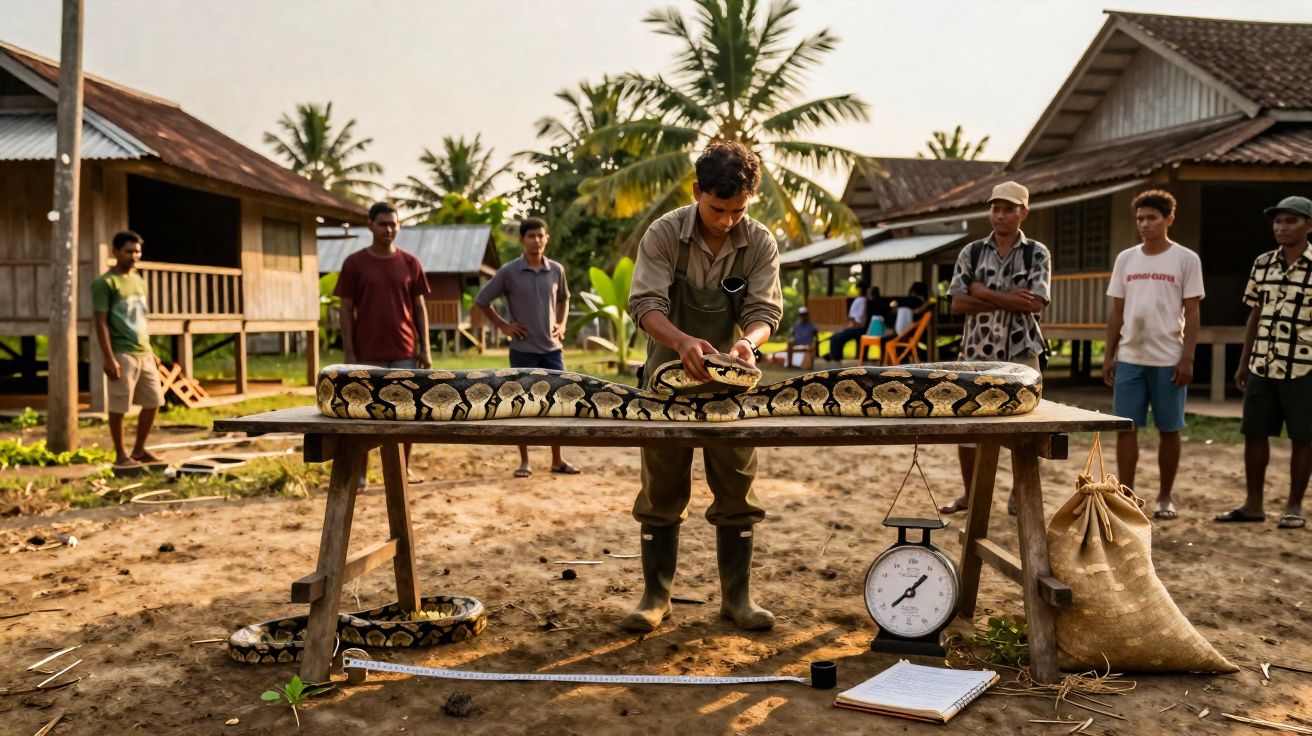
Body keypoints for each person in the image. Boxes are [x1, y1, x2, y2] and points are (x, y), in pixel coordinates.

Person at [623, 140, 783, 632]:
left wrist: (748, 345)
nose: (728, 220)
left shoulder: (759, 242)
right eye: (718, 209)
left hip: (731, 385)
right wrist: (683, 342)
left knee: (737, 486)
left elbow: (764, 313)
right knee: (662, 487)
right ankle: (656, 597)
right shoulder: (664, 234)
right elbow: (645, 305)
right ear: (697, 192)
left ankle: (737, 599)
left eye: (738, 211)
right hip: (664, 379)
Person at [939, 181, 1051, 514]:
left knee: (1026, 427)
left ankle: (1020, 494)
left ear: (1023, 213)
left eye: (1008, 209)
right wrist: (1004, 298)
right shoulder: (972, 252)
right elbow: (958, 304)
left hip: (1022, 349)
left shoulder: (1036, 253)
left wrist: (981, 290)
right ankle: (972, 494)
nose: (1000, 216)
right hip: (976, 349)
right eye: (995, 208)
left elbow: (1035, 304)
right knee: (967, 425)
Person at [1103, 190, 1203, 520]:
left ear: (1169, 219)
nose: (1144, 224)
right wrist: (1109, 354)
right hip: (1131, 356)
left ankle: (1164, 497)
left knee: (1169, 429)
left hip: (1169, 359)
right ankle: (1125, 495)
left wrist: (1187, 357)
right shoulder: (1126, 259)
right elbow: (1117, 311)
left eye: (1152, 218)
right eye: (1140, 219)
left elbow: (1192, 311)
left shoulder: (1186, 259)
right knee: (1126, 428)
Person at [1216, 196, 1312, 530]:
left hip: (1304, 365)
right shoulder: (1263, 264)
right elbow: (1254, 314)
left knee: (1304, 436)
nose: (1282, 227)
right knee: (1254, 432)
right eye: (1278, 221)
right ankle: (1253, 504)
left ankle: (1294, 506)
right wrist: (1244, 362)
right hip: (1262, 363)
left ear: (1309, 226)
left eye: (1291, 221)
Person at [335, 201, 431, 484]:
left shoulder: (410, 262)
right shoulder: (354, 263)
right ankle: (362, 473)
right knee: (365, 413)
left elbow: (420, 308)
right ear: (370, 226)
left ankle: (403, 469)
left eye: (393, 224)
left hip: (405, 350)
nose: (389, 229)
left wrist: (424, 347)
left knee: (406, 411)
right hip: (367, 351)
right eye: (382, 224)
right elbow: (345, 309)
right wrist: (349, 351)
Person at [474, 217, 578, 478]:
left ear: (547, 238)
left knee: (558, 404)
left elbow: (565, 299)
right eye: (530, 236)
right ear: (522, 240)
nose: (536, 240)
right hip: (523, 349)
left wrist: (562, 324)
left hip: (553, 350)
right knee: (520, 404)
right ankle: (524, 462)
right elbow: (482, 300)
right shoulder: (509, 272)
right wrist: (505, 327)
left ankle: (557, 459)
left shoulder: (556, 270)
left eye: (540, 235)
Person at [91, 230, 165, 469]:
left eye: (137, 251)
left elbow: (142, 318)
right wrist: (109, 357)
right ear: (115, 252)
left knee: (154, 401)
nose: (134, 256)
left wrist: (151, 350)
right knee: (119, 405)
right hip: (122, 352)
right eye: (128, 251)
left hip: (144, 351)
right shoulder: (105, 284)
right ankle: (121, 454)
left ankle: (139, 449)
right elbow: (100, 322)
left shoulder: (138, 280)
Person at [824, 284, 874, 362]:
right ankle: (834, 355)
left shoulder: (863, 301)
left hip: (859, 328)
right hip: (854, 325)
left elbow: (862, 317)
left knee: (838, 337)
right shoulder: (859, 300)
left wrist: (855, 324)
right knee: (835, 337)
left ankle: (834, 356)